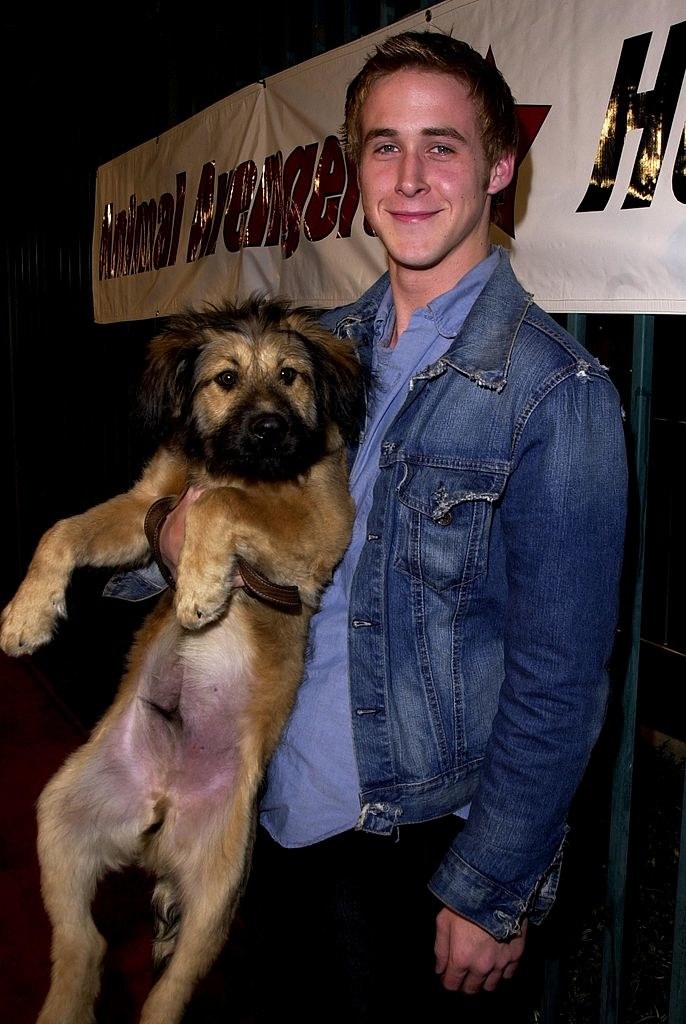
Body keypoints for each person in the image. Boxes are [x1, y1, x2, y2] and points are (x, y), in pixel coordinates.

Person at [109, 28, 628, 1021]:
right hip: (258, 818)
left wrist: (492, 886)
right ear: (354, 172)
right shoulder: (306, 349)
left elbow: (557, 678)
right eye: (384, 145)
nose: (410, 174)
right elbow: (174, 509)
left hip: (406, 855)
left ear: (499, 166)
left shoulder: (554, 393)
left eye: (443, 144)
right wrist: (163, 539)